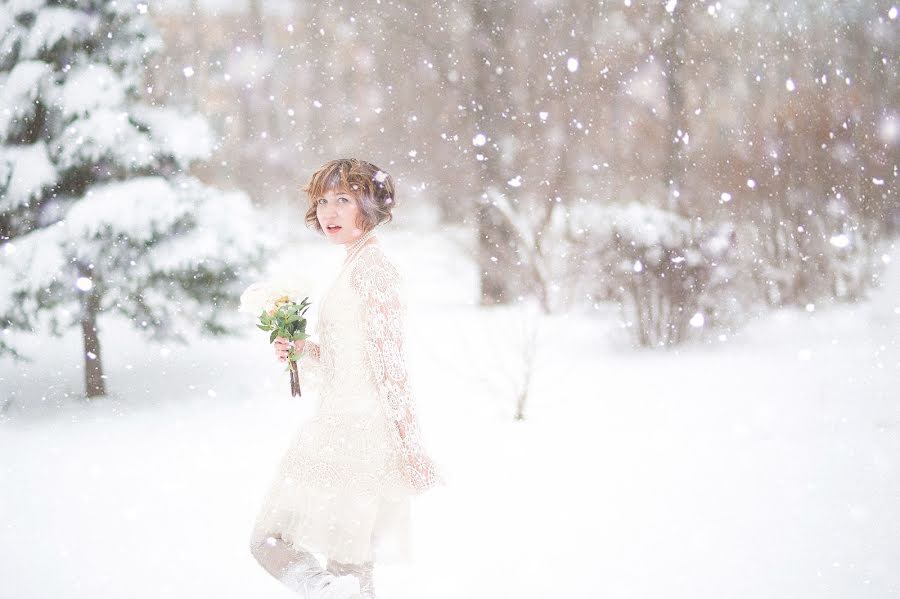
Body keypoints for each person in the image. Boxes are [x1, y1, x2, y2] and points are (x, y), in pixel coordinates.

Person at [248, 158, 444, 599]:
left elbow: (391, 366)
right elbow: (347, 361)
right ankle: (331, 589)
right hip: (336, 425)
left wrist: (410, 445)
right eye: (322, 202)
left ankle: (327, 590)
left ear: (369, 206)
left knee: (282, 545)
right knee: (345, 569)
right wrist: (305, 350)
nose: (329, 212)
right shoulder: (354, 265)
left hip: (359, 434)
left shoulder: (374, 270)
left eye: (343, 200)